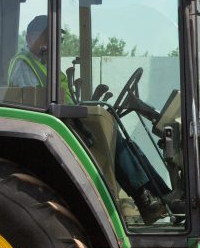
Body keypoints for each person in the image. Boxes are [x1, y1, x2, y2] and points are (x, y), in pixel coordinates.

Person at [9, 15, 169, 224]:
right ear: (32, 37)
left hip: (61, 123)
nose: (56, 43)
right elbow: (33, 104)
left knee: (119, 139)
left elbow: (61, 97)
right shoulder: (23, 64)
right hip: (50, 129)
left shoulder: (45, 65)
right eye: (50, 37)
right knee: (112, 139)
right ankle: (144, 196)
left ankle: (158, 195)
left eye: (59, 39)